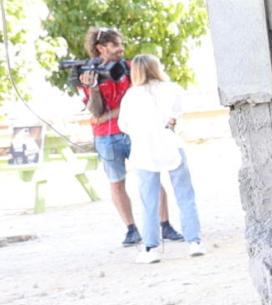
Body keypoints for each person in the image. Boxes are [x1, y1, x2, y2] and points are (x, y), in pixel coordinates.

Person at [76, 28, 176, 248]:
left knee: (151, 175)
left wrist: (109, 115)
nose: (121, 48)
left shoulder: (132, 69)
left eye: (120, 43)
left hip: (135, 131)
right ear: (101, 48)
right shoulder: (88, 73)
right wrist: (93, 88)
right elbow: (95, 112)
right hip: (106, 137)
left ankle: (165, 224)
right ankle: (131, 229)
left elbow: (142, 101)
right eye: (115, 45)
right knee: (116, 182)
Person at [114, 54, 203, 263]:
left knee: (148, 201)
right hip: (171, 145)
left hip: (144, 149)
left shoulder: (131, 96)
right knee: (185, 196)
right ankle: (194, 242)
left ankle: (151, 248)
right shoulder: (171, 89)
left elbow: (123, 125)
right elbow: (176, 114)